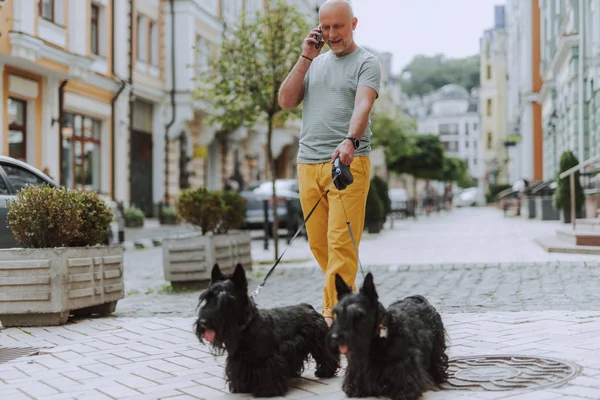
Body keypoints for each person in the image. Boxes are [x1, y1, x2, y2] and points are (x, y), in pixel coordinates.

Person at [278, 0, 381, 327]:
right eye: (326, 27)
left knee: (340, 246)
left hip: (347, 164)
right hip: (308, 164)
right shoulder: (314, 63)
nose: (332, 34)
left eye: (338, 26)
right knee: (320, 246)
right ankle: (356, 310)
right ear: (318, 28)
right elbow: (285, 101)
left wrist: (350, 140)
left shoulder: (367, 62)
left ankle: (332, 323)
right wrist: (305, 57)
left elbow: (363, 105)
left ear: (353, 23)